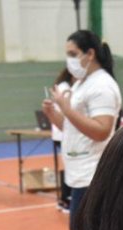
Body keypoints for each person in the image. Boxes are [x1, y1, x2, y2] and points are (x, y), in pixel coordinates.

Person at [42, 30, 122, 230]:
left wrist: (66, 108)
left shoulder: (102, 85)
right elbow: (70, 128)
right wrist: (53, 113)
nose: (69, 60)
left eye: (73, 53)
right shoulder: (80, 84)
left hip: (94, 173)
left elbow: (102, 131)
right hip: (78, 172)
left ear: (90, 54)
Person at [50, 68, 74, 213]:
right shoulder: (65, 88)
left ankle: (64, 199)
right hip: (64, 133)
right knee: (71, 167)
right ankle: (66, 200)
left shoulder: (62, 86)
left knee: (68, 165)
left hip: (61, 133)